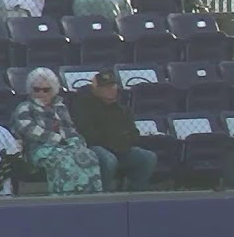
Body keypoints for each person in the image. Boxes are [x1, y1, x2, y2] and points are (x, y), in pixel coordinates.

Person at [10, 67, 103, 195]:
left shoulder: (60, 107)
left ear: (53, 90)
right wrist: (57, 139)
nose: (41, 93)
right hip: (39, 148)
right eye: (36, 89)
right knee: (64, 161)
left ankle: (90, 196)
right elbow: (29, 130)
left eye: (46, 90)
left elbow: (70, 128)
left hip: (66, 145)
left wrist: (77, 142)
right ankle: (63, 198)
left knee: (89, 156)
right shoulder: (25, 107)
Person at [67, 71, 158, 191]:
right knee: (109, 160)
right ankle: (101, 195)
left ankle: (134, 193)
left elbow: (134, 133)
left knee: (148, 157)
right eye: (105, 87)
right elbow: (88, 135)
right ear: (95, 89)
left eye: (112, 86)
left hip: (120, 149)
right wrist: (116, 140)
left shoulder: (121, 109)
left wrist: (122, 141)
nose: (110, 89)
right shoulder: (83, 105)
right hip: (93, 149)